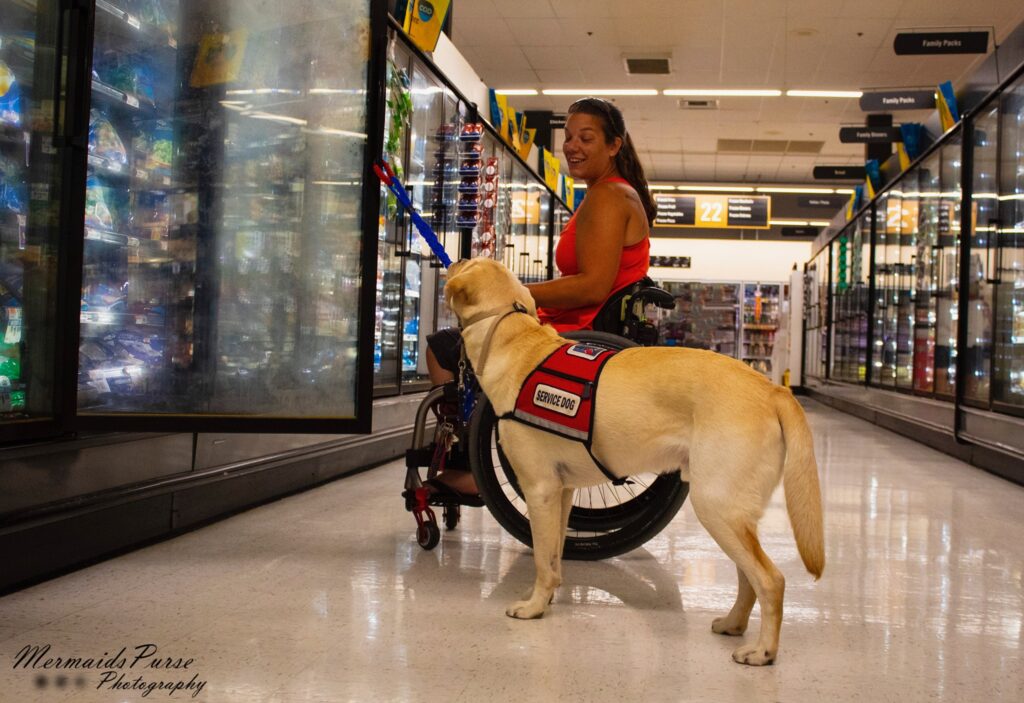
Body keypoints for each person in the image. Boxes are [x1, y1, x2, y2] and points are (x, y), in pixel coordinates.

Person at [423, 97, 657, 500]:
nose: (572, 146)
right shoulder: (610, 195)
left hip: (578, 330)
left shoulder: (607, 197)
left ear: (614, 145)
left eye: (586, 138)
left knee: (445, 350)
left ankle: (473, 465)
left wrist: (512, 291)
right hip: (580, 322)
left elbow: (592, 287)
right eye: (568, 137)